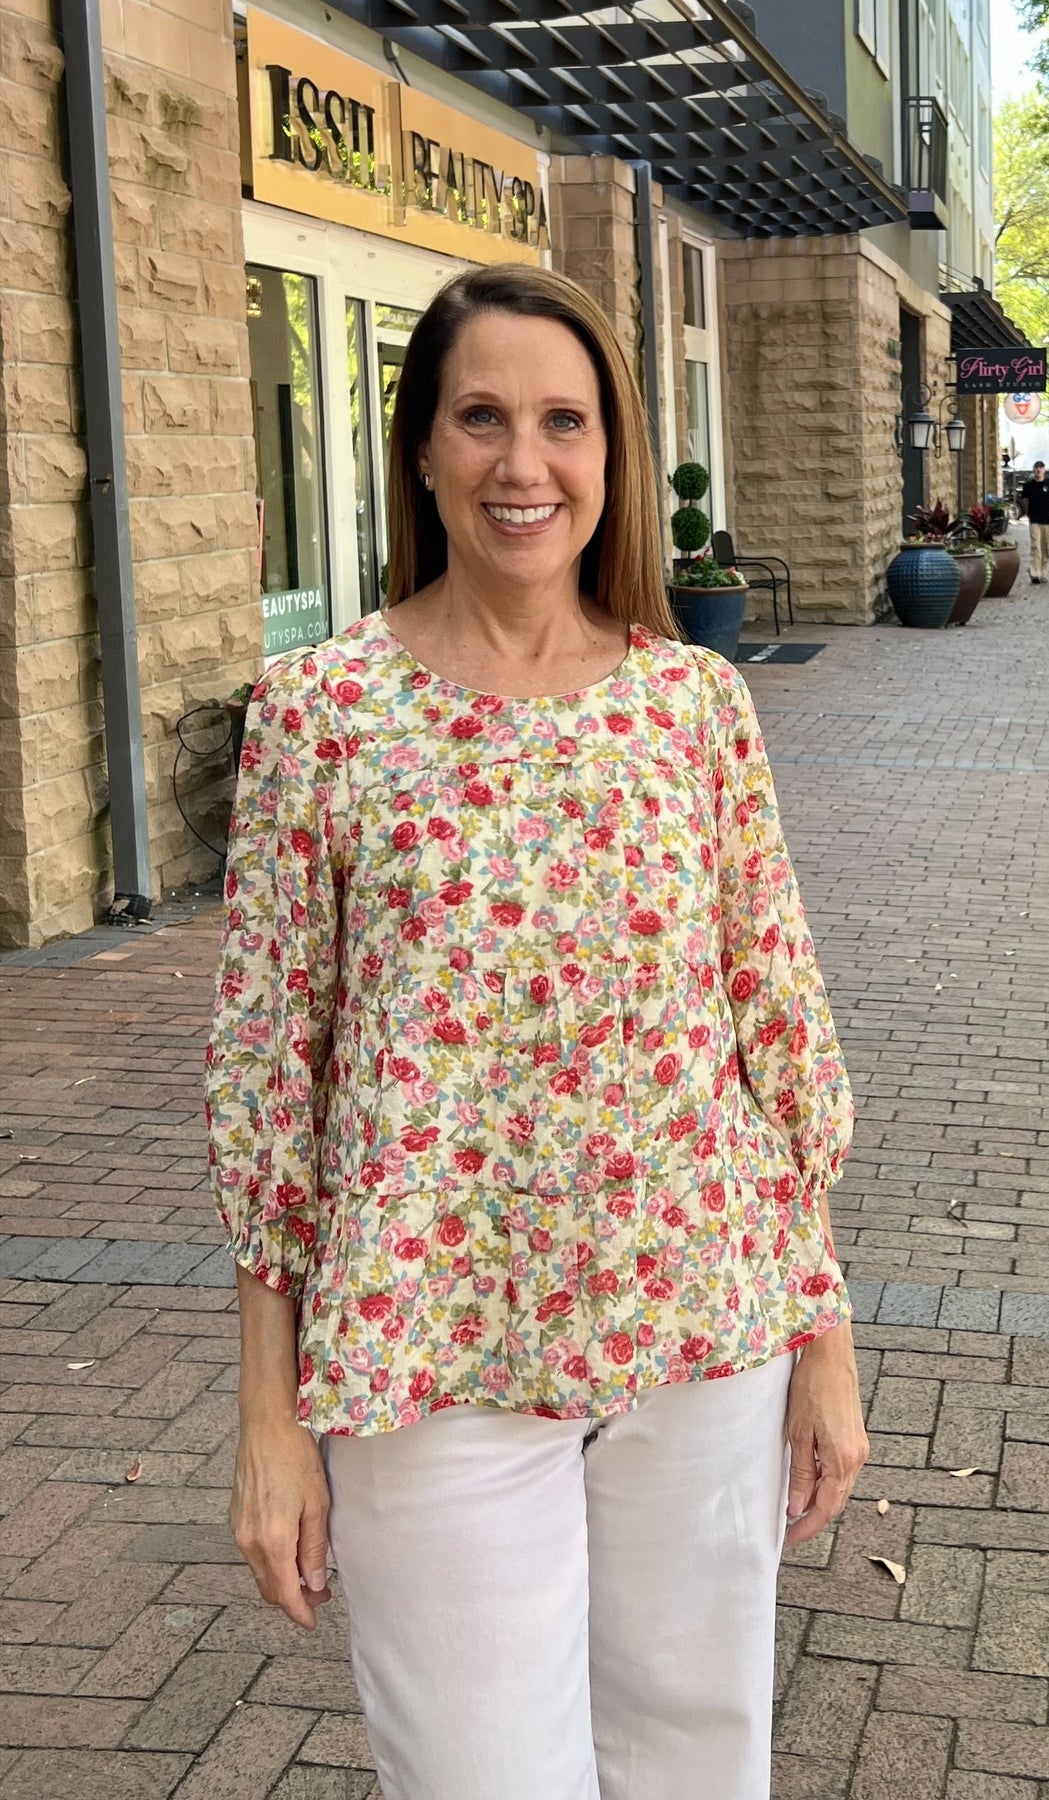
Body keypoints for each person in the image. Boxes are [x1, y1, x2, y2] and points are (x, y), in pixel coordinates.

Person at [207, 264, 868, 1800]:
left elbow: (776, 1027)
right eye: (482, 418)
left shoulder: (694, 706)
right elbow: (268, 1084)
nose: (525, 463)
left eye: (565, 421)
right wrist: (268, 1420)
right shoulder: (320, 714)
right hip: (426, 1338)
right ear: (423, 449)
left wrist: (824, 1344)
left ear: (612, 452)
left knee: (697, 1759)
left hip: (703, 1320)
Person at [1019, 460, 1049, 583]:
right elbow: (1025, 501)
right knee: (1036, 546)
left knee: (1045, 547)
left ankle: (1043, 572)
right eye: (1036, 467)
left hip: (1047, 519)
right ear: (1033, 470)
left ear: (1044, 470)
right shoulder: (1028, 485)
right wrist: (1027, 513)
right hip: (1034, 520)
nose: (1038, 470)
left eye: (1041, 467)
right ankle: (1035, 573)